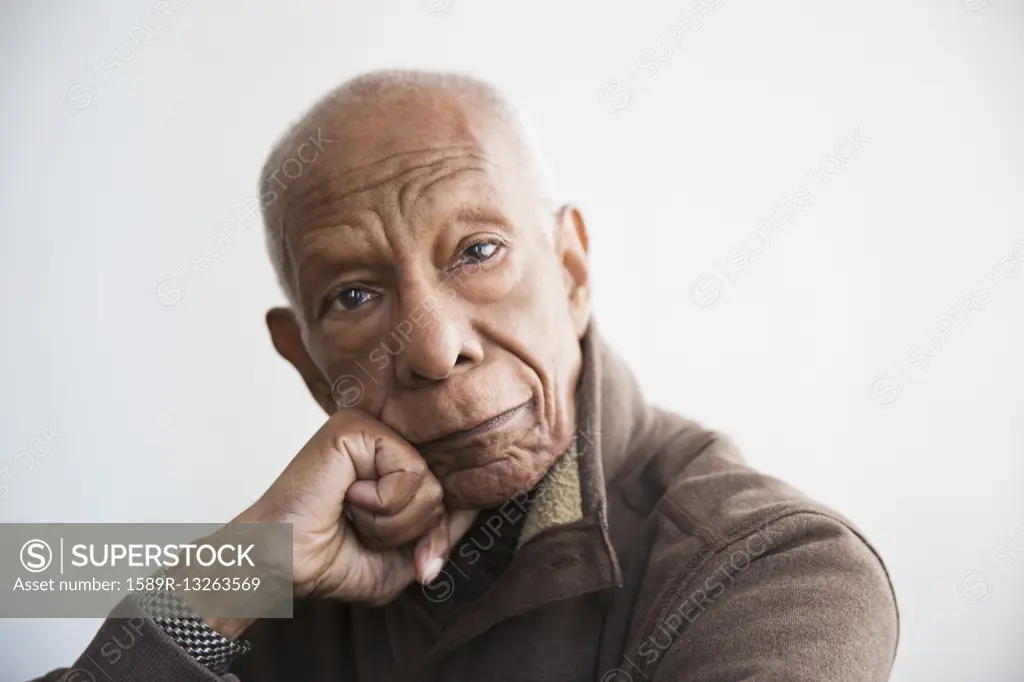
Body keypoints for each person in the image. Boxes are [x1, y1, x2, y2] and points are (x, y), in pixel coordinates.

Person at [34, 70, 898, 682]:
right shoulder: (279, 583)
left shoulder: (775, 572)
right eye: (355, 295)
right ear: (305, 362)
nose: (434, 346)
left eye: (478, 251)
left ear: (571, 271)